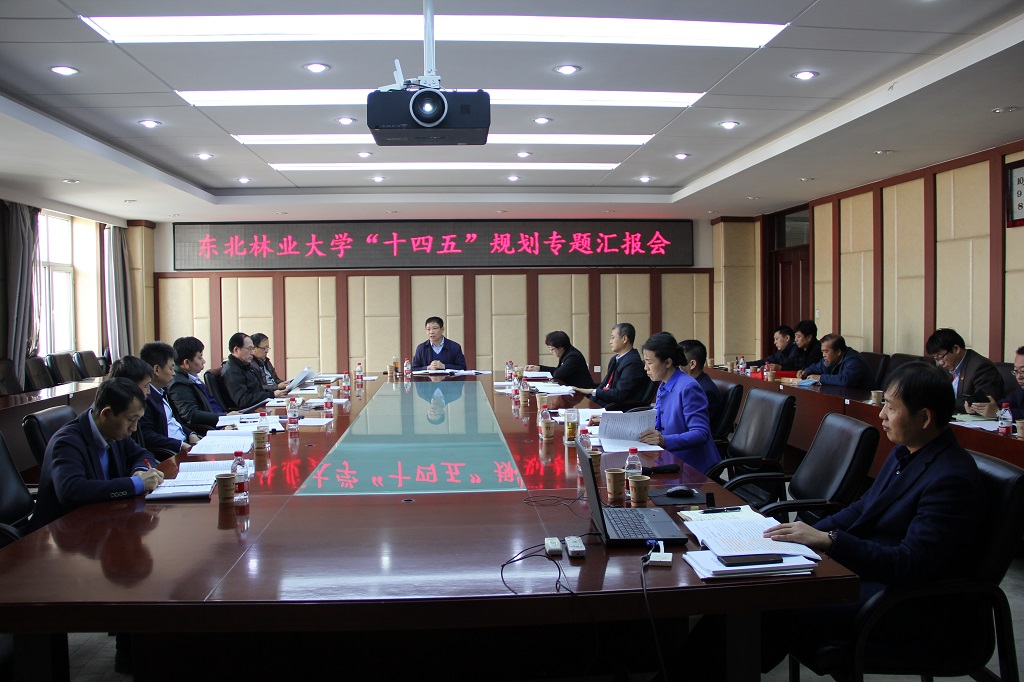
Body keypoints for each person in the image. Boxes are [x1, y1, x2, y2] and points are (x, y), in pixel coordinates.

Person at [752, 361, 984, 672]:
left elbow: (911, 563)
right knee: (758, 592)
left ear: (925, 418)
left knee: (767, 603)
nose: (881, 415)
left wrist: (831, 541)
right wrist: (804, 536)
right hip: (871, 578)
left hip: (899, 605)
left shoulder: (950, 478)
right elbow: (863, 508)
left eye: (891, 407)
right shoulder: (907, 451)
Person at [30, 377, 164, 531]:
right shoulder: (66, 442)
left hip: (104, 520)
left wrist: (140, 471)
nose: (134, 428)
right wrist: (136, 484)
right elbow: (71, 490)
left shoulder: (114, 431)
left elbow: (142, 454)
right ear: (106, 414)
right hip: (65, 532)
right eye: (130, 420)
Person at [636, 333, 720, 473]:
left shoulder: (688, 387)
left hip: (691, 466)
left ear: (668, 362)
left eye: (649, 362)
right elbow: (659, 420)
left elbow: (701, 433)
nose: (646, 368)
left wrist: (664, 440)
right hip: (668, 458)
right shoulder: (664, 384)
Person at [139, 341, 199, 458]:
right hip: (173, 453)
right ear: (156, 370)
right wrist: (180, 445)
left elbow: (173, 422)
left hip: (186, 444)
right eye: (171, 368)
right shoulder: (146, 398)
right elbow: (147, 435)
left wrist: (190, 433)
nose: (174, 373)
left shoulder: (162, 392)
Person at [926, 327, 1003, 413]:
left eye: (941, 357)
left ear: (956, 349)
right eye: (937, 359)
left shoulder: (981, 367)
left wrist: (940, 402)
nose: (941, 363)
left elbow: (982, 403)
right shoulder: (945, 368)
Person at [573, 322, 648, 407]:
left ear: (624, 339)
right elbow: (604, 385)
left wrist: (591, 391)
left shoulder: (633, 363)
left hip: (618, 407)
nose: (610, 342)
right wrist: (591, 402)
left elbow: (619, 394)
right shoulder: (615, 359)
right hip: (605, 403)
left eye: (613, 338)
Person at [168, 336, 232, 430]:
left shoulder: (192, 378)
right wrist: (225, 417)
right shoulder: (179, 384)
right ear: (186, 363)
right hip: (211, 429)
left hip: (222, 422)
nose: (204, 361)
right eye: (200, 357)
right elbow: (192, 415)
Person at [221, 332, 286, 409]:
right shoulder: (232, 371)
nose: (252, 352)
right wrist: (272, 395)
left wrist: (273, 394)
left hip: (259, 406)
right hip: (248, 411)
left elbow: (259, 390)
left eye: (253, 348)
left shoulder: (246, 366)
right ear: (236, 350)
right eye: (249, 349)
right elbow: (243, 401)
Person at [108, 355, 155, 450]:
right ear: (130, 386)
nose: (149, 391)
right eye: (146, 386)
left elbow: (139, 453)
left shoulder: (135, 412)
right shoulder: (118, 424)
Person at [966, 344, 1024, 419]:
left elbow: (1021, 414)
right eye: (1016, 371)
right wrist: (979, 406)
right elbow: (1005, 403)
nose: (1018, 377)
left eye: (1023, 371)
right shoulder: (1020, 390)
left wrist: (999, 413)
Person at [796, 333, 873, 390]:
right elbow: (816, 367)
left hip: (861, 399)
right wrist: (805, 372)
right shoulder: (831, 359)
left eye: (826, 351)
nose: (823, 355)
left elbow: (845, 380)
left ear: (838, 352)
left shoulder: (853, 360)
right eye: (822, 352)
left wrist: (820, 378)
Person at [524, 331, 595, 388]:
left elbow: (558, 374)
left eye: (552, 349)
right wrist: (539, 368)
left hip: (583, 393)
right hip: (572, 390)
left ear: (561, 347)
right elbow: (558, 370)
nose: (550, 352)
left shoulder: (573, 357)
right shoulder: (566, 353)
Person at [678, 338, 721, 426]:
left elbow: (690, 426)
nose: (675, 366)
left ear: (692, 364)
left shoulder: (705, 391)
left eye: (679, 362)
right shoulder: (686, 383)